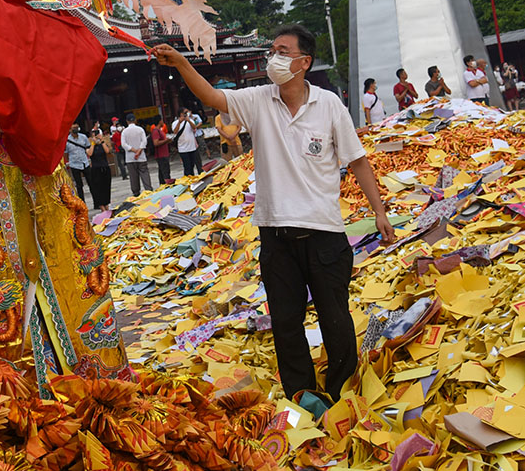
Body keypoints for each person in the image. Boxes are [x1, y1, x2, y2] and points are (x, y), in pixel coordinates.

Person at [151, 25, 394, 406]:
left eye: (283, 52)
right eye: (273, 51)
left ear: (303, 62)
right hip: (276, 236)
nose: (274, 58)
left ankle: (342, 391)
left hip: (324, 233)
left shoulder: (329, 105)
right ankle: (301, 395)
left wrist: (379, 212)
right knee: (285, 322)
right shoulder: (259, 100)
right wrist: (182, 63)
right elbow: (214, 96)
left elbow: (358, 161)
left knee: (336, 319)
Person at [121, 114, 152, 197]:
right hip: (141, 156)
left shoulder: (124, 131)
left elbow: (123, 144)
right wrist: (139, 151)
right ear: (135, 120)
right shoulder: (140, 129)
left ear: (127, 121)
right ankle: (149, 190)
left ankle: (136, 193)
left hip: (130, 158)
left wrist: (133, 150)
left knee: (133, 176)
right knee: (144, 173)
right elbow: (144, 141)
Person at [86, 125, 114, 212]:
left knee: (106, 188)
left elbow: (107, 151)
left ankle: (107, 206)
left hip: (105, 168)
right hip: (95, 170)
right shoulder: (89, 144)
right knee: (98, 189)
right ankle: (102, 208)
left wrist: (102, 140)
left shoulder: (103, 143)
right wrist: (93, 143)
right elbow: (89, 153)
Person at [63, 123, 92, 206]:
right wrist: (67, 162)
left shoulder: (83, 137)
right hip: (74, 164)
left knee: (91, 183)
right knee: (79, 185)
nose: (75, 129)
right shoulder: (67, 140)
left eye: (76, 127)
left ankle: (97, 202)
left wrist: (89, 160)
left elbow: (88, 148)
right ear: (69, 130)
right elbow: (66, 153)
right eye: (73, 128)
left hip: (84, 163)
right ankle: (83, 203)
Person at [172, 107, 203, 177]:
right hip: (183, 148)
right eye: (185, 113)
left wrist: (188, 120)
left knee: (192, 165)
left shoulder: (190, 120)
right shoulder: (175, 123)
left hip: (192, 147)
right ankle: (187, 179)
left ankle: (192, 178)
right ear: (181, 114)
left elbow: (194, 127)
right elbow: (175, 131)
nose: (187, 114)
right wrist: (179, 122)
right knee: (187, 166)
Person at [150, 119, 172, 185]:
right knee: (165, 171)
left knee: (162, 172)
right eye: (162, 120)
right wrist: (166, 140)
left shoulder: (160, 130)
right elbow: (156, 143)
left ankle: (163, 185)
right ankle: (167, 185)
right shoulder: (156, 131)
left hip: (164, 153)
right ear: (159, 121)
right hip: (161, 155)